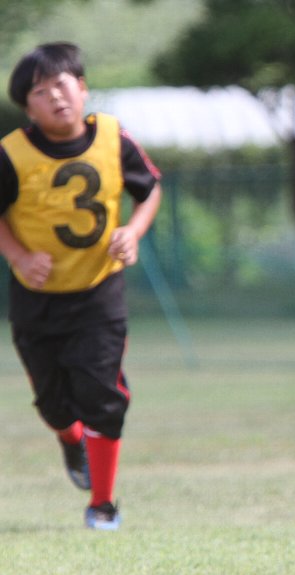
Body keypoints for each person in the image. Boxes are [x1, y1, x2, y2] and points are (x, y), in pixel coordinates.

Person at [0, 42, 162, 530]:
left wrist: (133, 232)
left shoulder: (113, 137)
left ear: (83, 88)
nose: (55, 97)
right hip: (37, 300)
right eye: (40, 92)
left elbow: (150, 189)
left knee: (102, 395)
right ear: (28, 109)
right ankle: (71, 441)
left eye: (61, 85)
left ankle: (102, 504)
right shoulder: (12, 154)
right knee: (53, 406)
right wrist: (18, 255)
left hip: (98, 292)